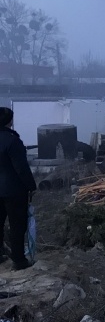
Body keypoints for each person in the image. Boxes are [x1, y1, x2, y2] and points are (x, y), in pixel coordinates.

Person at [0, 107, 37, 270]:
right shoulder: (12, 140)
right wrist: (31, 186)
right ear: (10, 121)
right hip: (13, 191)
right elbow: (21, 168)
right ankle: (18, 260)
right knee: (17, 225)